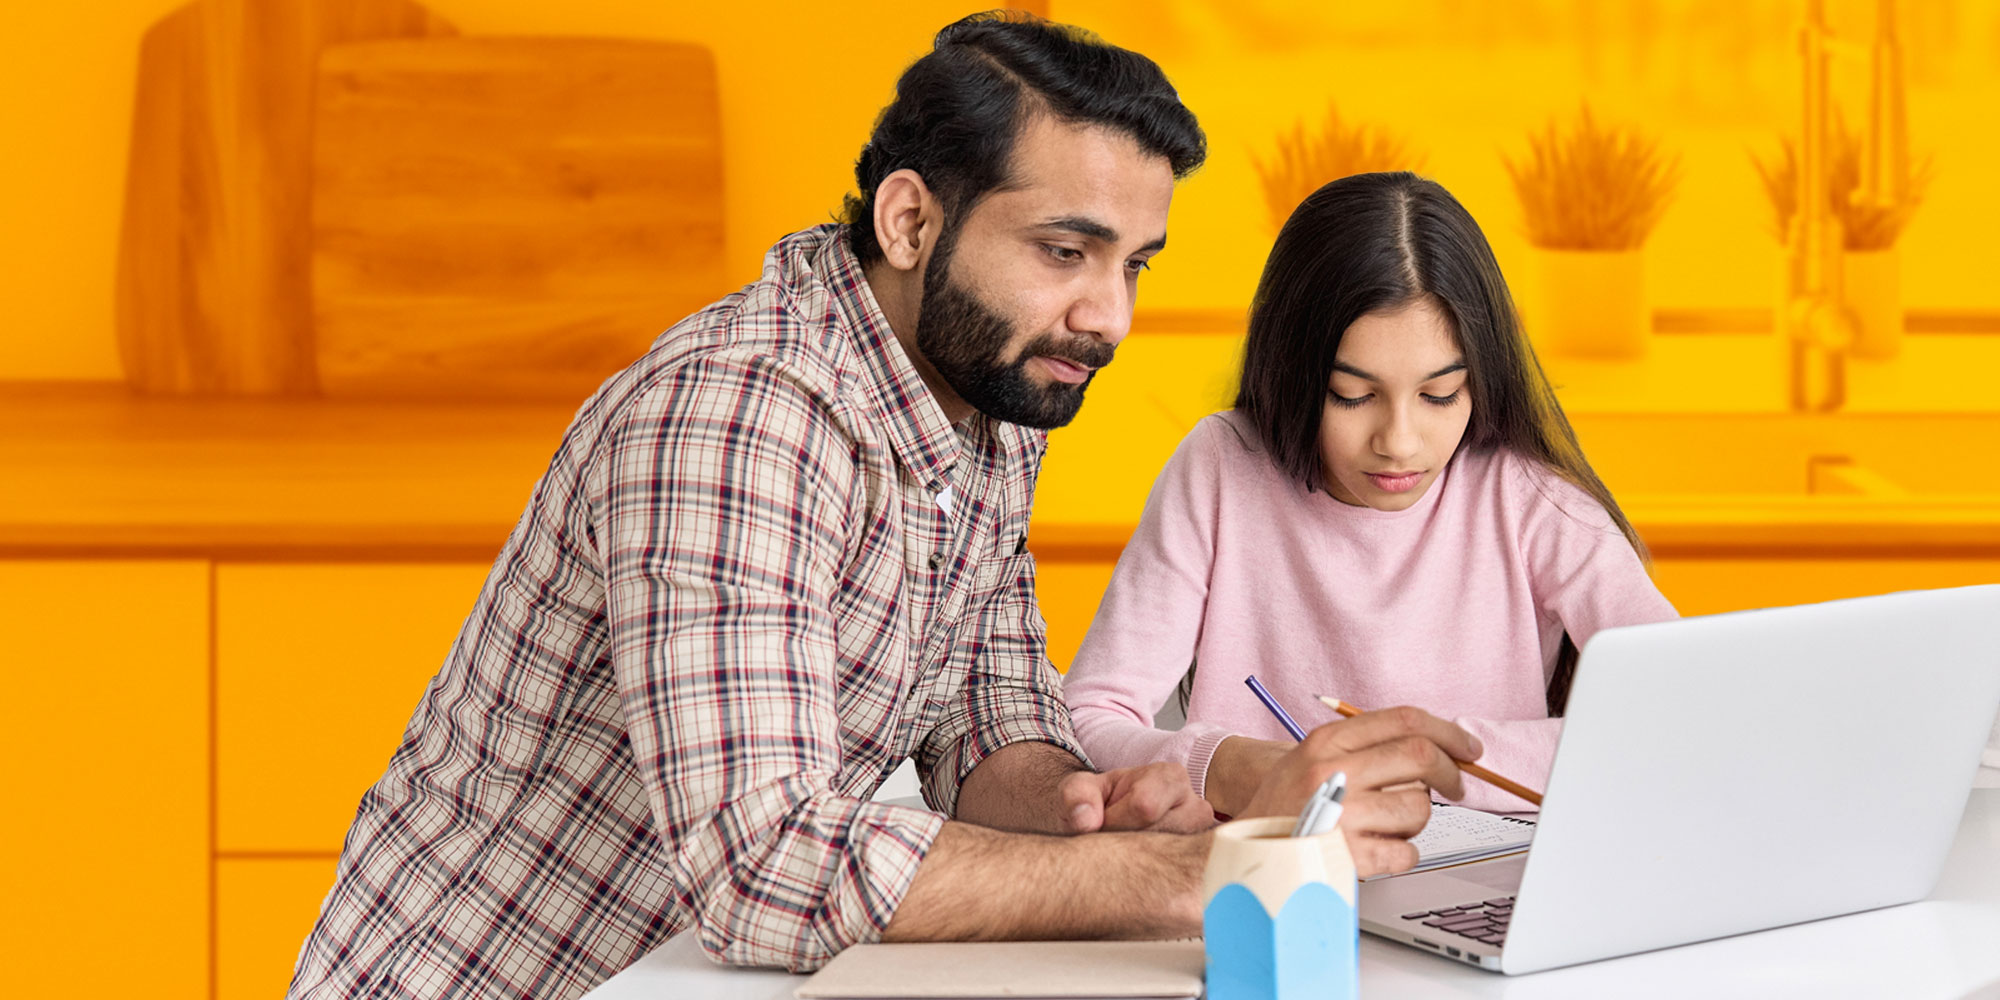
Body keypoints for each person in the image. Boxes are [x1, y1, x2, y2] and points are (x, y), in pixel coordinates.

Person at [288, 17, 1483, 1000]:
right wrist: (1186, 873)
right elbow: (766, 871)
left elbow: (983, 723)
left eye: (1133, 265)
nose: (1108, 316)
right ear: (910, 221)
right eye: (1065, 251)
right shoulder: (738, 419)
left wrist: (1085, 806)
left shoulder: (990, 395)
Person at [1063, 171, 1680, 820]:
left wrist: (1427, 760)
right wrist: (1224, 766)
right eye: (1353, 395)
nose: (1400, 442)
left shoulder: (1525, 497)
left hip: (1484, 872)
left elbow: (1676, 703)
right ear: (1295, 374)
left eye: (1440, 396)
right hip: (1279, 880)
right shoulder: (1224, 466)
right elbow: (1087, 717)